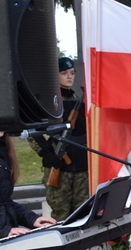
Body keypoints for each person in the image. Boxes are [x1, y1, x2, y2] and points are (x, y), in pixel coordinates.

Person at [27, 57, 89, 223]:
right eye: (64, 73)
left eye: (72, 73)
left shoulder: (80, 101)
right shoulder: (48, 103)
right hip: (59, 168)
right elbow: (33, 131)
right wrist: (48, 154)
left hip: (82, 168)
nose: (69, 77)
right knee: (61, 216)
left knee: (82, 215)